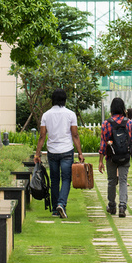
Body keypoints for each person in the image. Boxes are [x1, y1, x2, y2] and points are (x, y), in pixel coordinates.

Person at [34, 88, 85, 219]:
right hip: (67, 150)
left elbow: (42, 135)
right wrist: (80, 152)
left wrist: (37, 153)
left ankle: (55, 209)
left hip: (52, 151)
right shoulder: (70, 114)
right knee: (66, 178)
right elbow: (75, 134)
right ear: (64, 99)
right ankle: (61, 203)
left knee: (54, 179)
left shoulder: (46, 115)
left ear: (53, 100)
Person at [98, 98, 132, 218]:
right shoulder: (129, 123)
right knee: (123, 181)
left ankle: (112, 205)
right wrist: (131, 153)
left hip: (111, 157)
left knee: (111, 181)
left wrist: (100, 161)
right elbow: (131, 141)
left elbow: (103, 144)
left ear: (112, 109)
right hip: (124, 156)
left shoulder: (106, 123)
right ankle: (122, 206)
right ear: (123, 108)